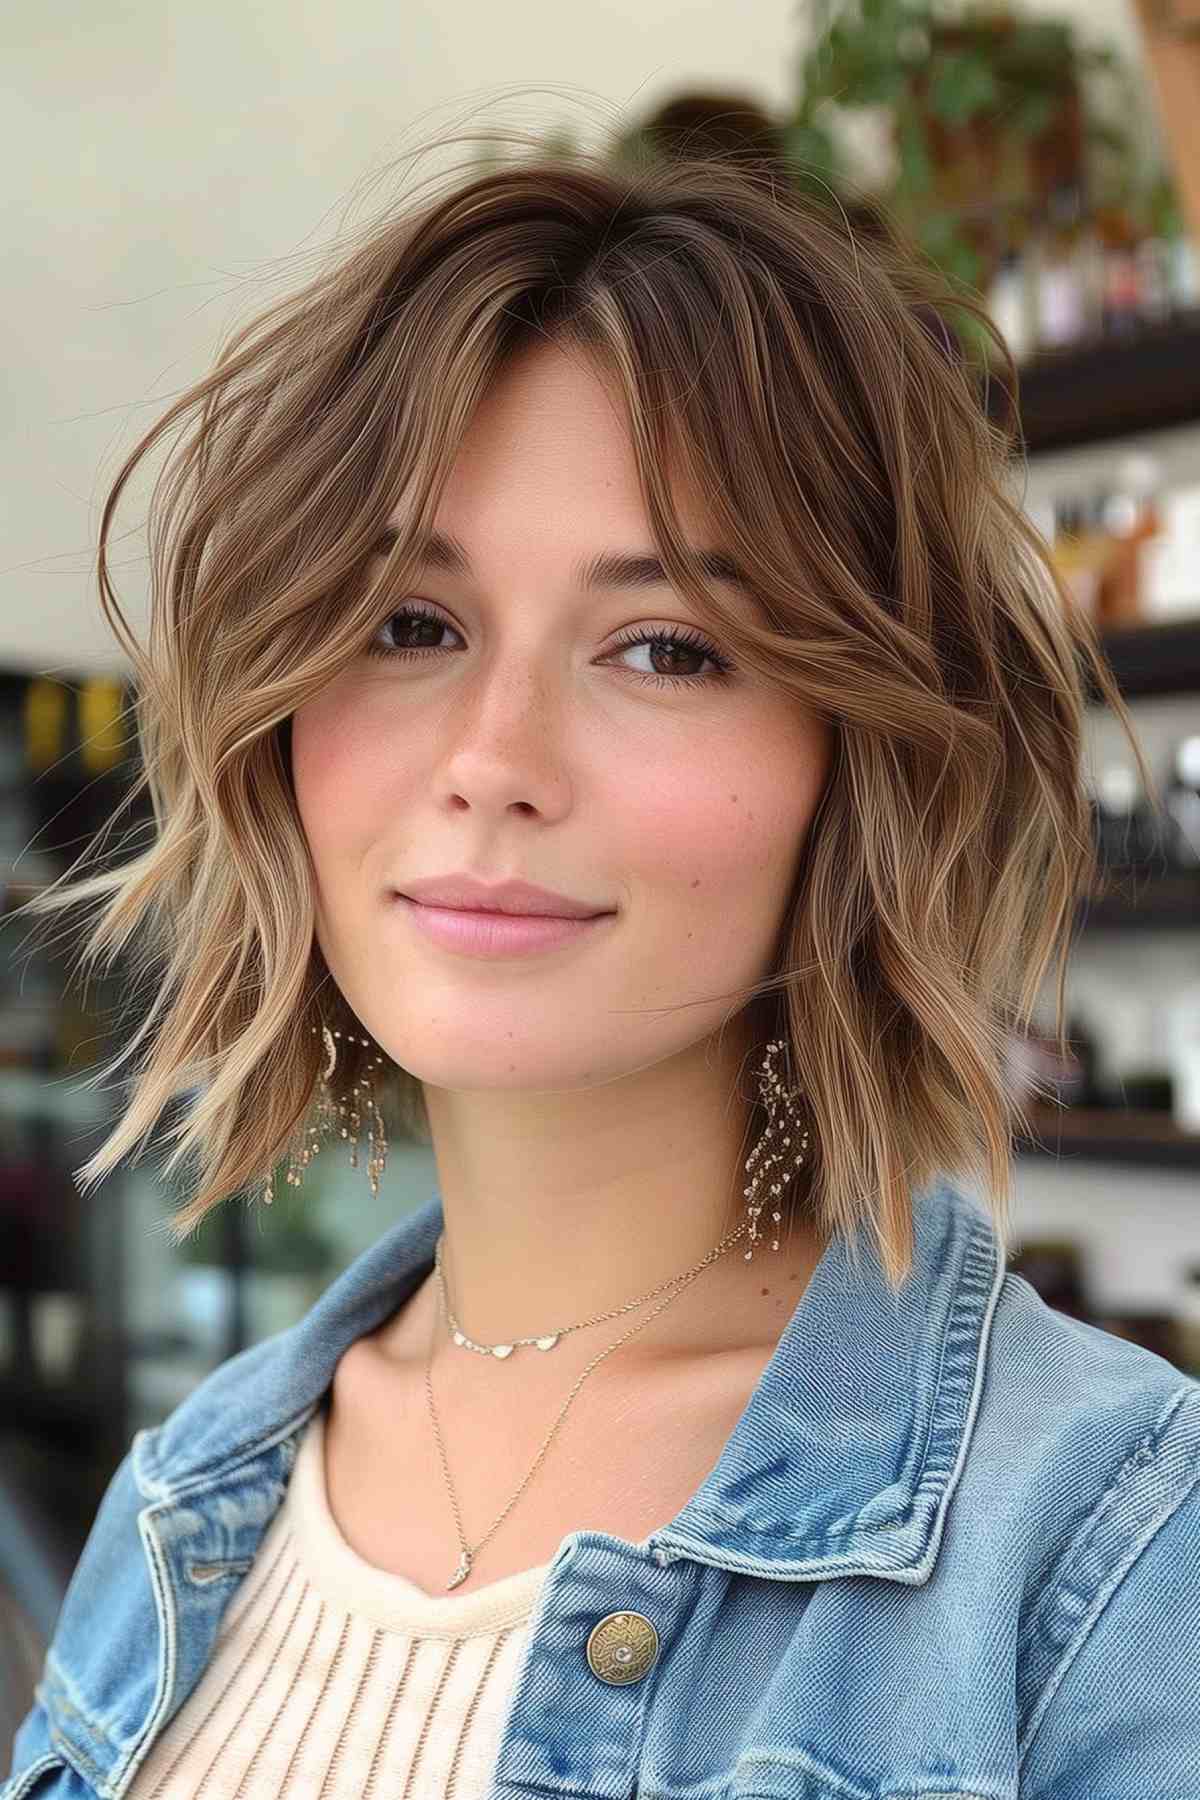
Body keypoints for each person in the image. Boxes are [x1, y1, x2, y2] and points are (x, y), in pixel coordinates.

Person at [6, 121, 1199, 1800]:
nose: (494, 757)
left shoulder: (1106, 1553)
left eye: (664, 647)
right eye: (409, 626)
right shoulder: (176, 1506)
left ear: (849, 766)